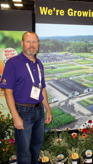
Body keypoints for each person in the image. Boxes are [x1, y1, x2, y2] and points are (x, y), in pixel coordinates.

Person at [0, 31, 52, 164]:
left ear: (38, 45)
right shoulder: (13, 63)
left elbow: (42, 88)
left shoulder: (39, 63)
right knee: (24, 152)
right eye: (28, 42)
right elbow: (8, 91)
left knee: (36, 147)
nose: (31, 45)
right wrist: (15, 116)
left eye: (34, 42)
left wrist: (48, 109)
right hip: (23, 112)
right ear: (22, 43)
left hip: (39, 111)